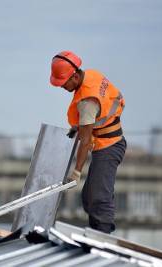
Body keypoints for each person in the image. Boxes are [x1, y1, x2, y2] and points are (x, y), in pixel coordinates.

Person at [50, 50, 126, 234]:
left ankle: (103, 237)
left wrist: (76, 172)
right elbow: (97, 114)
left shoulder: (88, 102)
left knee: (99, 198)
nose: (62, 87)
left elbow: (85, 141)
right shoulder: (91, 75)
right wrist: (79, 125)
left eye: (63, 82)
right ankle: (96, 231)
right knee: (89, 197)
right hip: (109, 142)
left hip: (109, 146)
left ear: (75, 76)